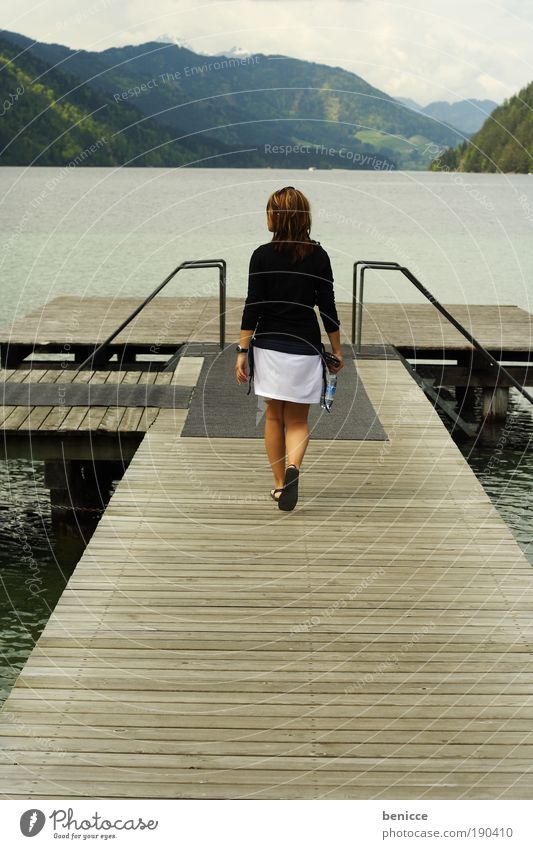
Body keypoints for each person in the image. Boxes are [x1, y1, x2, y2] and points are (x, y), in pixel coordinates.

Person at [235, 186, 344, 511]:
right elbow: (327, 307)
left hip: (269, 347)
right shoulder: (319, 256)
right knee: (297, 421)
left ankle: (281, 485)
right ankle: (295, 467)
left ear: (279, 216)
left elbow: (253, 305)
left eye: (269, 210)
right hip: (305, 349)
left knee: (273, 416)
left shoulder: (261, 255)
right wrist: (337, 352)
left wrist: (242, 351)